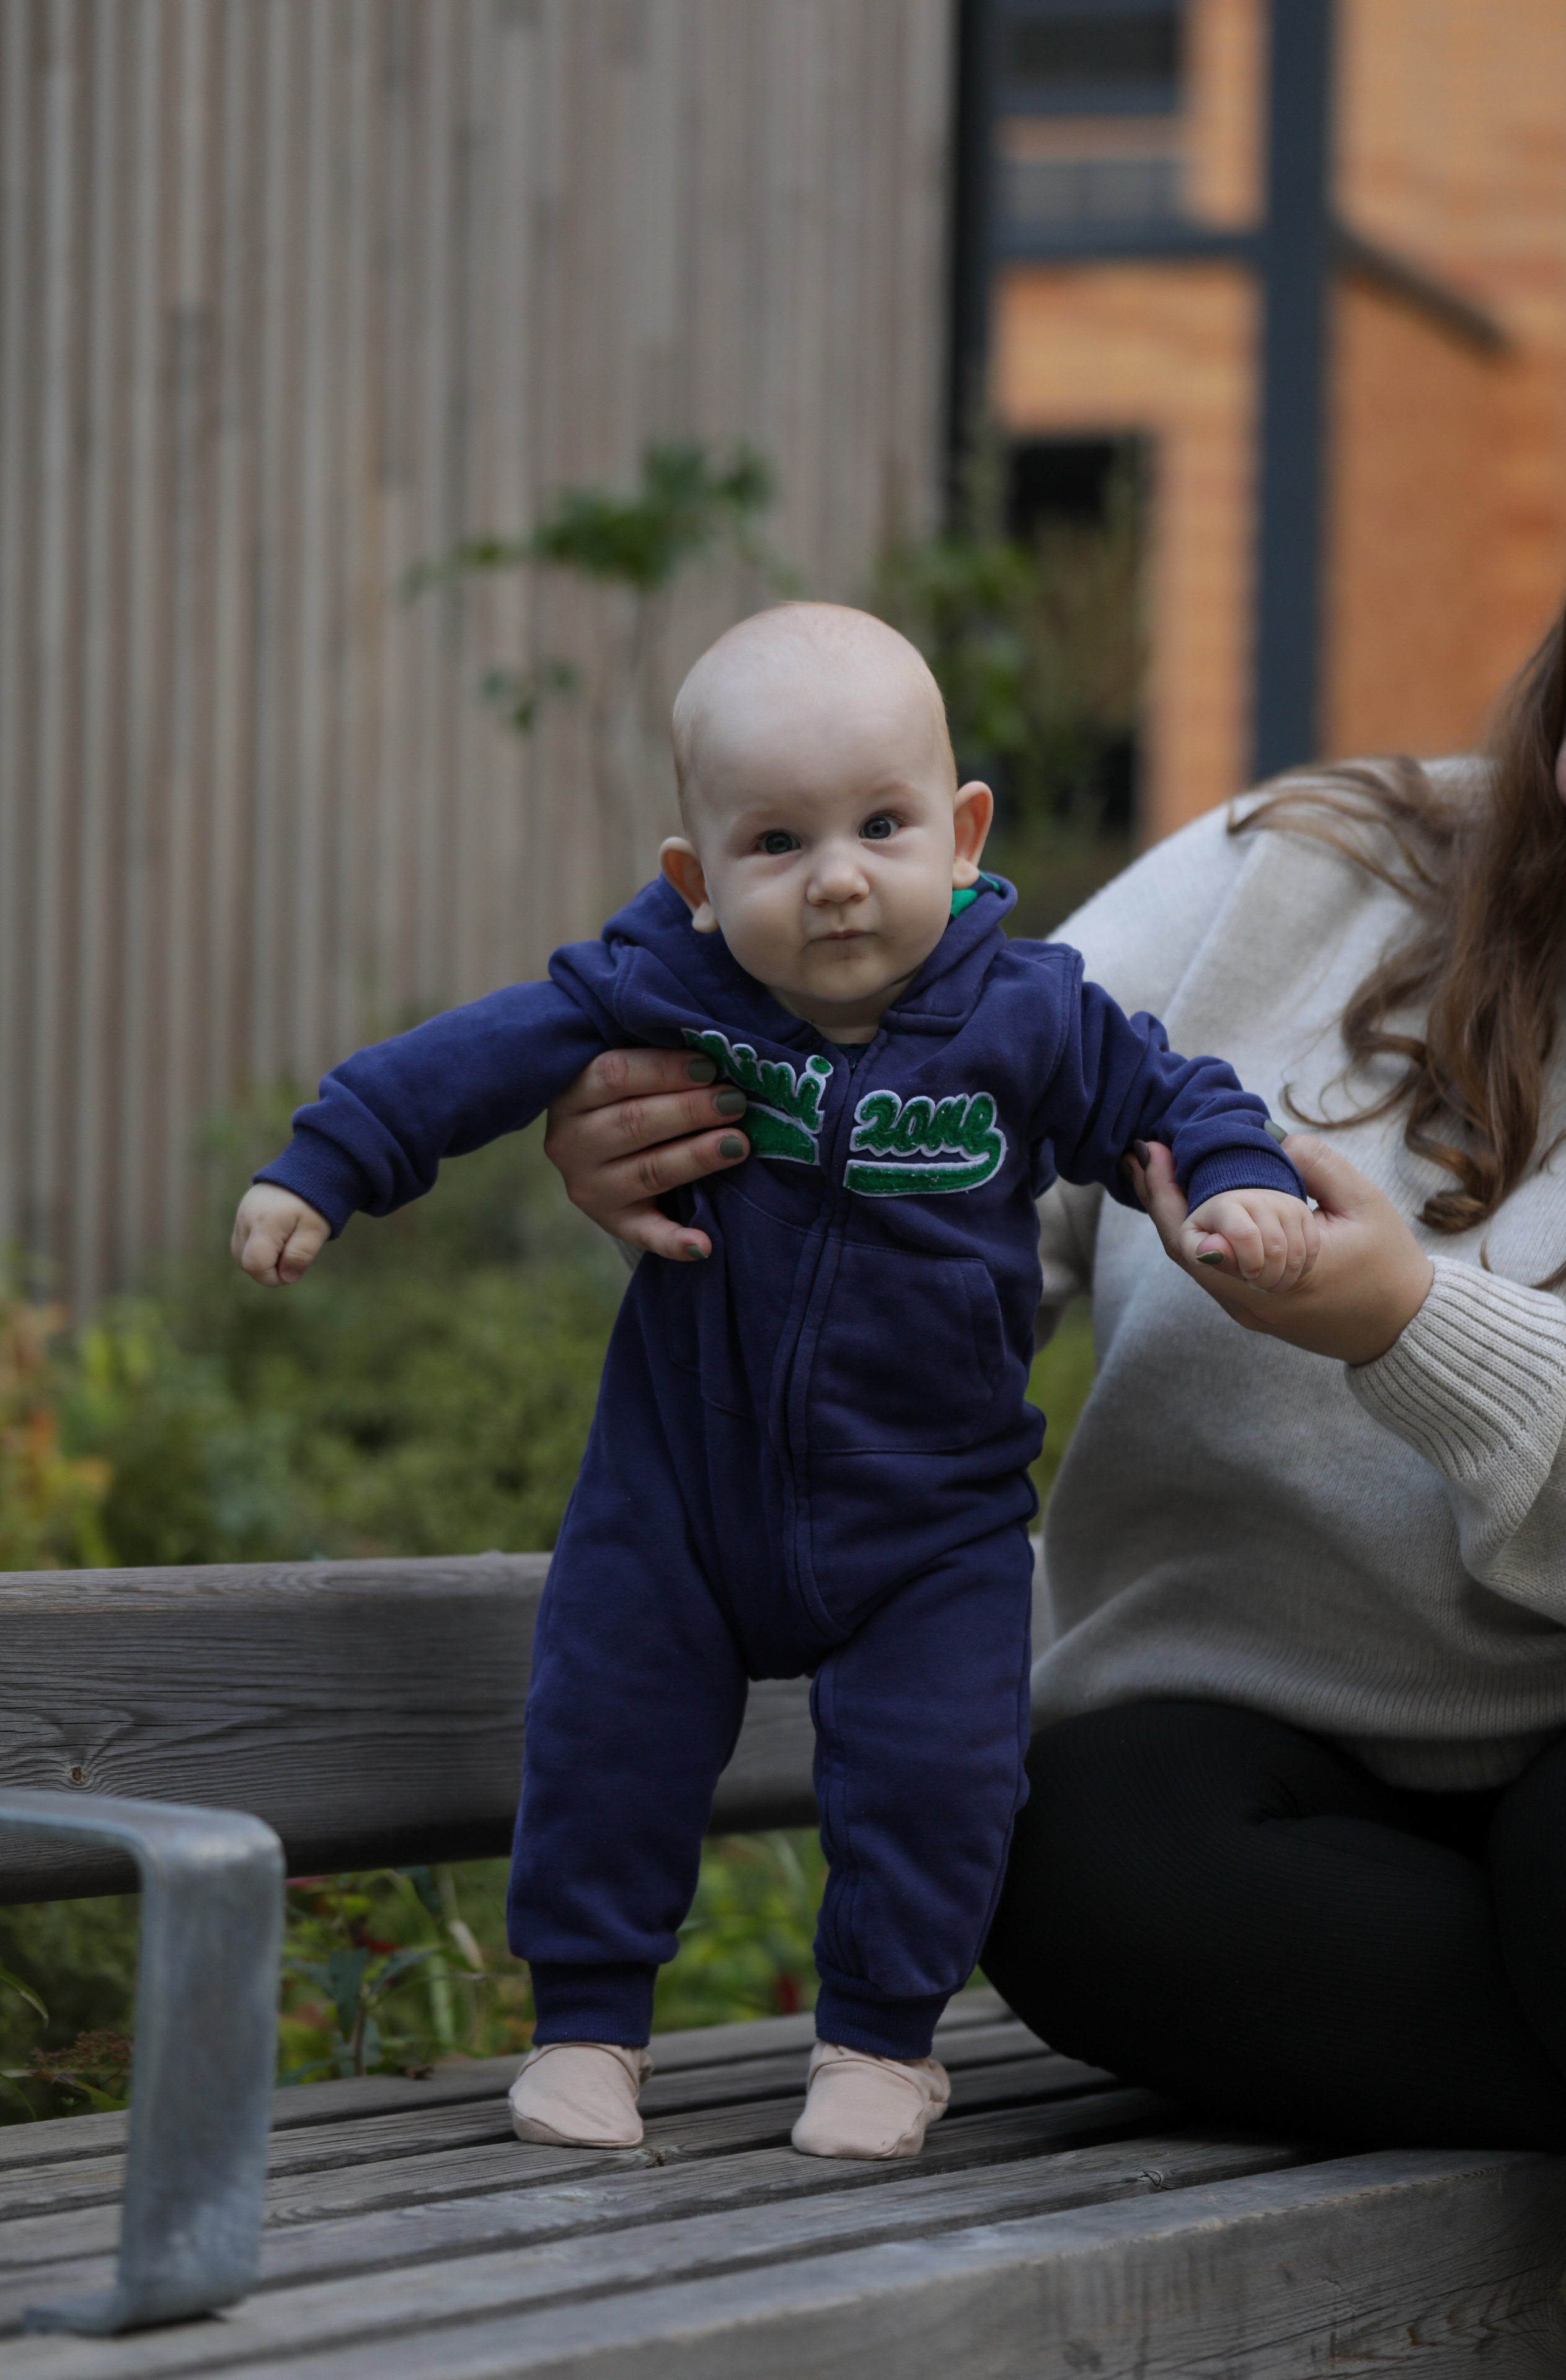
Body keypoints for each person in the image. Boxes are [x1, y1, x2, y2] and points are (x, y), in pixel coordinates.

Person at [231, 602, 1311, 2162]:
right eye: (777, 843)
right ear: (697, 877)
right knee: (607, 1729)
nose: (839, 878)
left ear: (961, 828)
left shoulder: (1030, 1020)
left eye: (882, 826)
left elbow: (1173, 1090)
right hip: (680, 1485)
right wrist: (330, 1163)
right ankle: (588, 2027)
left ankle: (880, 2040)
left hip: (927, 1515)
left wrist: (1228, 1179)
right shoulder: (664, 989)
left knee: (937, 1774)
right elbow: (476, 1057)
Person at [544, 548, 1566, 2156]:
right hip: (1229, 1753)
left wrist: (1410, 1324)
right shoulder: (1309, 864)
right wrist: (700, 1166)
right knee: (1074, 1869)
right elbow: (944, 1119)